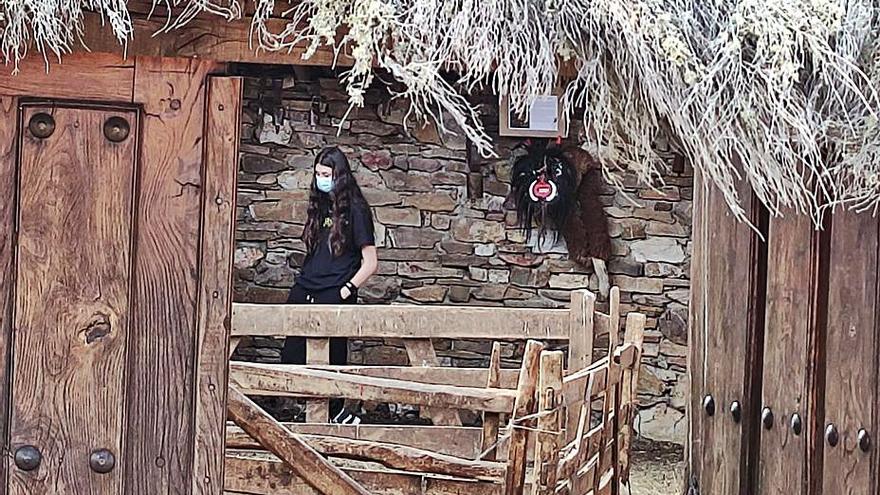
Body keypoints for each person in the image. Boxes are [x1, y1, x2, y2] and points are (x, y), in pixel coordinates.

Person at [282, 146, 378, 424]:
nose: (320, 179)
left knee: (333, 353)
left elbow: (370, 261)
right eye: (317, 174)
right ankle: (309, 405)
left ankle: (334, 411)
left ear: (339, 175)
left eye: (326, 174)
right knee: (292, 349)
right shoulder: (321, 204)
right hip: (308, 285)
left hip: (336, 289)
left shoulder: (356, 211)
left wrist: (346, 290)